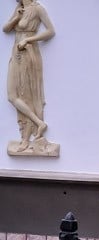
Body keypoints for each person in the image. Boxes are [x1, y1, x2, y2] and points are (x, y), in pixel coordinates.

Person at [3, 0, 54, 153]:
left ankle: (25, 139)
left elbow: (50, 31)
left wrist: (28, 39)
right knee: (12, 96)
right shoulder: (20, 8)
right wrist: (16, 18)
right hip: (16, 53)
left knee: (26, 96)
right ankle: (39, 123)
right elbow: (5, 29)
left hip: (29, 53)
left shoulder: (37, 9)